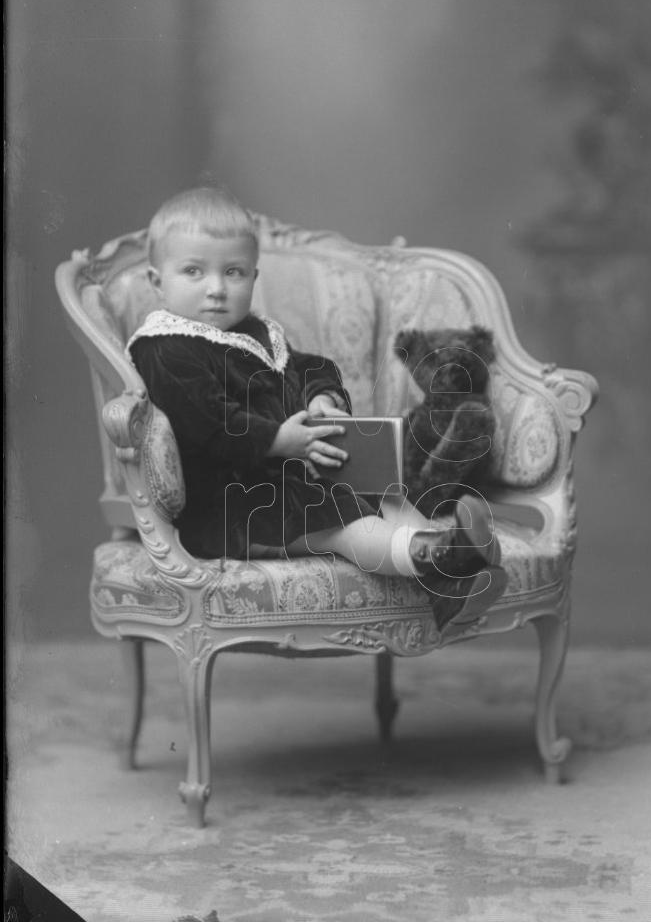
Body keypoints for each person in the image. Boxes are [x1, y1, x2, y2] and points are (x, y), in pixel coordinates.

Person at [126, 187, 507, 626]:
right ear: (158, 282)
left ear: (253, 276)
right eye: (193, 272)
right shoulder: (165, 349)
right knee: (342, 525)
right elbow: (208, 423)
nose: (216, 289)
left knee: (382, 491)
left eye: (233, 272)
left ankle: (452, 571)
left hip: (286, 481)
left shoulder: (254, 332)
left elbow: (309, 366)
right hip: (231, 506)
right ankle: (435, 558)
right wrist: (278, 439)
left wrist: (322, 397)